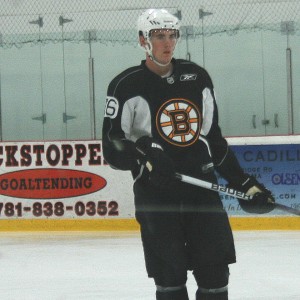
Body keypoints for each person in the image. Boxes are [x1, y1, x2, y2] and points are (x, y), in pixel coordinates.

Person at [102, 8, 275, 300]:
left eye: (172, 35)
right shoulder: (126, 85)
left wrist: (244, 183)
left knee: (215, 276)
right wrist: (143, 154)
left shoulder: (197, 78)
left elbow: (214, 140)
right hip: (156, 197)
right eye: (159, 36)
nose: (167, 43)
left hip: (202, 193)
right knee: (169, 280)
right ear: (143, 39)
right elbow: (112, 146)